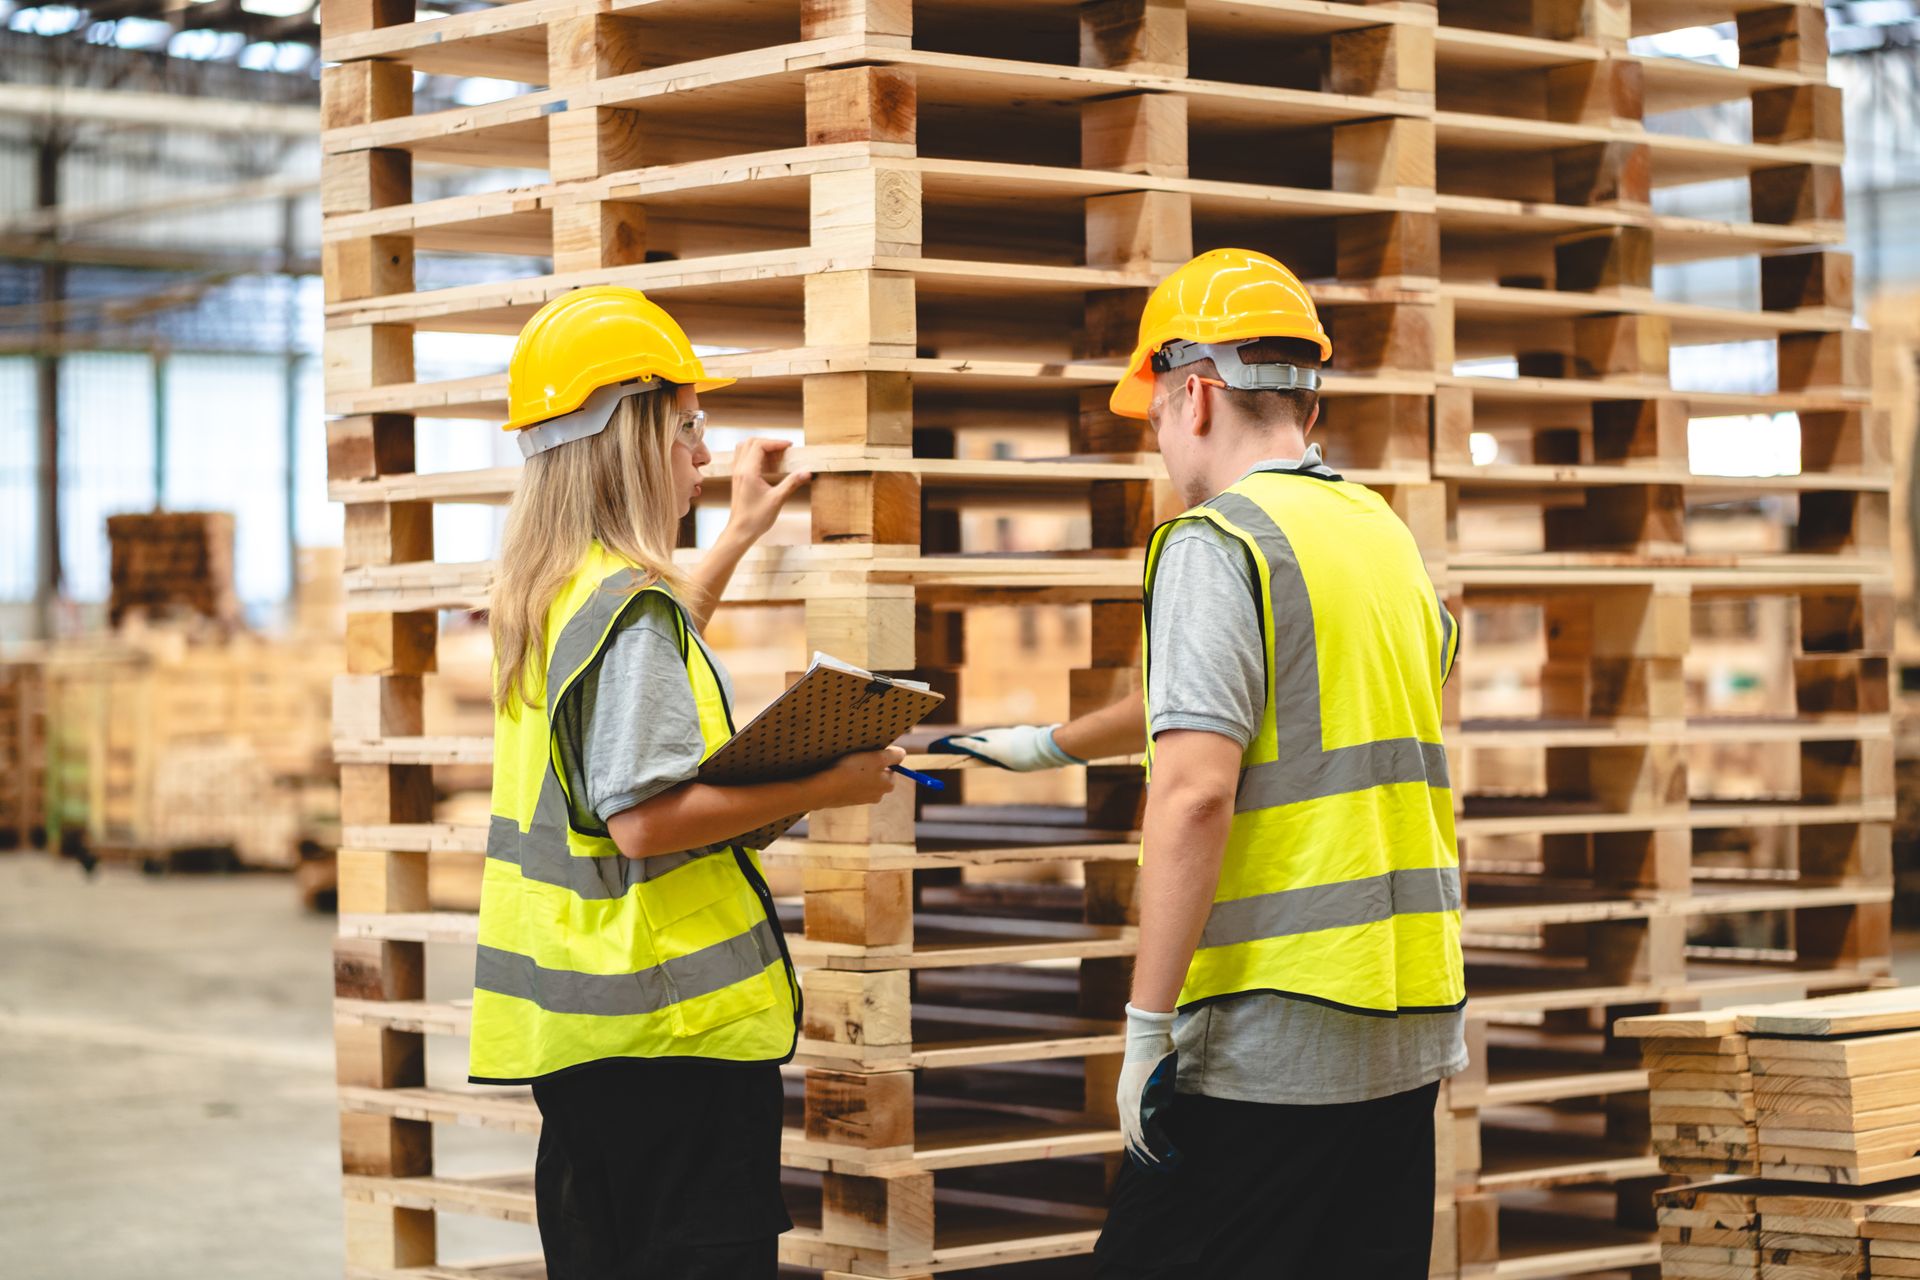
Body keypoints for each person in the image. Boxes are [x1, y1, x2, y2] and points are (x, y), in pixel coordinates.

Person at [935, 248, 1467, 1278]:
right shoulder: (1381, 534)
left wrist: (1145, 1027)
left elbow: (1195, 789)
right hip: (1403, 1026)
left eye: (1155, 417)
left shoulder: (1216, 541)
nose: (1159, 443)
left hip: (1272, 1035)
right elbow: (1281, 705)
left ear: (1201, 393)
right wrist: (1051, 743)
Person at [468, 285, 906, 1279]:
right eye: (688, 428)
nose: (703, 456)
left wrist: (739, 534)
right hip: (673, 1042)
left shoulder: (552, 594)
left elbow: (635, 706)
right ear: (627, 438)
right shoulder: (626, 613)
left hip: (587, 1050)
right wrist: (830, 783)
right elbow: (643, 817)